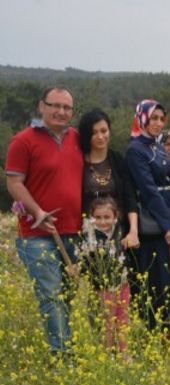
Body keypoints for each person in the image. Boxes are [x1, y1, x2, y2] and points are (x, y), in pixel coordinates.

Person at [6, 86, 83, 354]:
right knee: (51, 297)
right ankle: (62, 355)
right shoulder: (23, 140)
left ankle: (67, 347)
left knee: (68, 297)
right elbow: (14, 183)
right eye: (55, 106)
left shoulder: (77, 139)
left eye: (67, 108)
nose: (61, 112)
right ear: (42, 106)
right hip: (38, 234)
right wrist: (38, 212)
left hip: (73, 232)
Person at [125, 99, 170, 331]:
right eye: (154, 118)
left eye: (162, 119)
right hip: (156, 217)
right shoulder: (135, 149)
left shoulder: (156, 145)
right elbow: (148, 190)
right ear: (142, 117)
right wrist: (168, 224)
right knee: (159, 272)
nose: (158, 123)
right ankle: (159, 327)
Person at [78, 109, 139, 250]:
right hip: (87, 235)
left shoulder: (117, 160)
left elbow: (130, 198)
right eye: (94, 132)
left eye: (104, 131)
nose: (100, 136)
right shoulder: (78, 161)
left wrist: (133, 231)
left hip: (118, 234)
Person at [79, 197, 130, 353]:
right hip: (103, 286)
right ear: (91, 217)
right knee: (106, 321)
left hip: (122, 282)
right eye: (98, 217)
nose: (102, 222)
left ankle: (123, 352)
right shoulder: (89, 235)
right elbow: (85, 262)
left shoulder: (120, 230)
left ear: (115, 217)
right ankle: (107, 352)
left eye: (107, 217)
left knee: (123, 319)